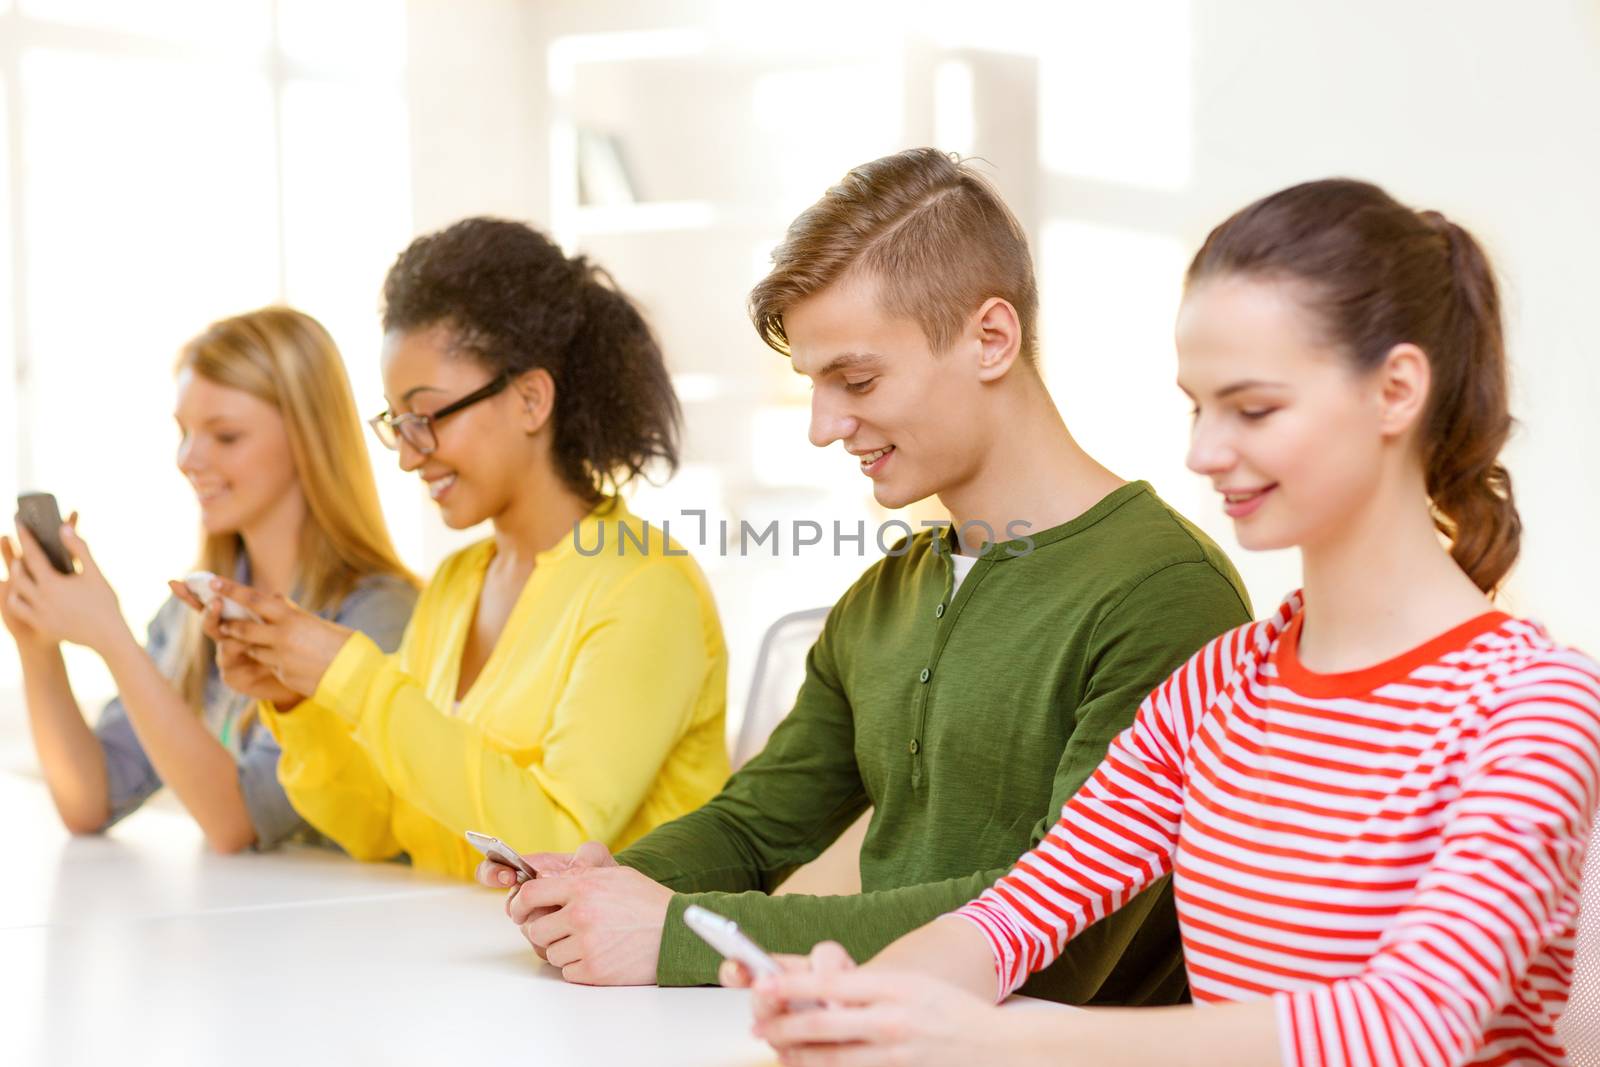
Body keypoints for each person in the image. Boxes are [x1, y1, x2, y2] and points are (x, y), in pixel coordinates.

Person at [743, 179, 1600, 1067]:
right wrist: (871, 1002)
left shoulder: (1534, 707)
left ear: (1395, 391)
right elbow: (1019, 912)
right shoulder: (1221, 685)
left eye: (1253, 408)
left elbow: (1407, 1022)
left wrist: (988, 1042)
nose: (1202, 453)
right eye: (1198, 406)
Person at [477, 148, 1252, 1002]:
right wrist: (600, 885)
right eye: (814, 383)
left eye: (856, 378)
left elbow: (1057, 935)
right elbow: (756, 825)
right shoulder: (888, 592)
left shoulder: (1166, 594)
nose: (823, 424)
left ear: (990, 338)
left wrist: (669, 936)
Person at [187, 218, 730, 880]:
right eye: (397, 422)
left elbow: (558, 841)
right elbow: (381, 826)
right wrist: (301, 702)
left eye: (429, 415)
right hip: (465, 961)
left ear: (531, 398)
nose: (410, 454)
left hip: (611, 983)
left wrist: (353, 675)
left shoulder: (646, 589)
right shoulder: (456, 582)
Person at [0, 307, 417, 852]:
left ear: (308, 439)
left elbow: (240, 822)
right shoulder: (190, 611)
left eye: (225, 435)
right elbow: (90, 800)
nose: (187, 458)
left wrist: (112, 638)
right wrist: (36, 646)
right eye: (184, 432)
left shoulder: (377, 613)